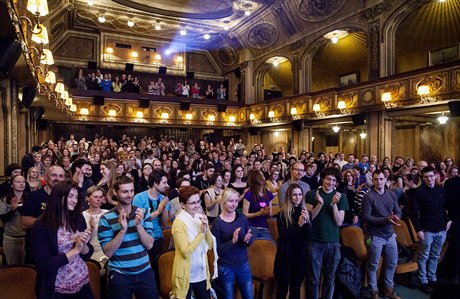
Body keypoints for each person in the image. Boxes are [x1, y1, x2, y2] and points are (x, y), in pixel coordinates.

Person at [31, 180, 94, 299]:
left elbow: (87, 255)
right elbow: (43, 264)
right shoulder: (41, 225)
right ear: (58, 197)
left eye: (76, 196)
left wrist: (83, 245)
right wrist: (75, 250)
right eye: (70, 196)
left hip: (82, 281)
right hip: (57, 288)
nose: (74, 200)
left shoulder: (78, 218)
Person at [98, 176, 159, 299]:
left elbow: (149, 245)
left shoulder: (143, 213)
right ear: (115, 192)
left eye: (131, 191)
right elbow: (108, 252)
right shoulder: (106, 218)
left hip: (144, 271)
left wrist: (138, 225)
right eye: (125, 191)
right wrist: (123, 230)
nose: (130, 195)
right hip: (120, 274)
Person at [305, 167, 348, 299]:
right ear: (323, 179)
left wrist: (334, 204)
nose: (330, 182)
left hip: (333, 242)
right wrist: (320, 203)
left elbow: (339, 222)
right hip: (315, 241)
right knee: (313, 278)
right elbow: (310, 217)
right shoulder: (311, 194)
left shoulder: (341, 197)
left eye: (333, 180)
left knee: (330, 278)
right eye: (328, 179)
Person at [362, 169, 402, 299]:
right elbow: (366, 217)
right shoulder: (369, 196)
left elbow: (397, 210)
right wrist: (386, 219)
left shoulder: (391, 194)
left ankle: (388, 289)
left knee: (391, 263)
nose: (378, 181)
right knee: (374, 265)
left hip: (390, 235)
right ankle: (374, 291)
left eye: (381, 179)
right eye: (376, 179)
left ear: (385, 179)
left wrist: (396, 216)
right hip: (374, 235)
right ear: (372, 180)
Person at [171, 186, 215, 299]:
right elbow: (185, 252)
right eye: (192, 203)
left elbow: (209, 246)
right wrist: (201, 234)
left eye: (198, 202)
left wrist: (206, 229)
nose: (197, 205)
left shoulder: (199, 217)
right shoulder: (178, 222)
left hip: (201, 271)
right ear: (182, 205)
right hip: (186, 273)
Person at [411, 166, 450, 294]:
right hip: (426, 229)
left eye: (431, 176)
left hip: (441, 228)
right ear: (423, 178)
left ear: (436, 176)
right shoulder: (419, 192)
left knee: (435, 255)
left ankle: (432, 278)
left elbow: (445, 208)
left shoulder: (441, 190)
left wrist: (448, 220)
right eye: (426, 177)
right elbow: (414, 212)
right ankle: (423, 281)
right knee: (423, 256)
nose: (429, 179)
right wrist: (418, 230)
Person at [211, 188, 253, 299]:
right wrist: (232, 241)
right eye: (231, 201)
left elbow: (248, 242)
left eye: (235, 201)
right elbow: (217, 250)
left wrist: (248, 240)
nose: (234, 204)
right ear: (224, 201)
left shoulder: (242, 218)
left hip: (243, 265)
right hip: (226, 268)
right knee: (228, 297)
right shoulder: (217, 223)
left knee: (248, 296)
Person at [21, 165, 66, 264]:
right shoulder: (34, 196)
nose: (57, 179)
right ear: (46, 177)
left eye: (61, 176)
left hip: (61, 252)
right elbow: (24, 223)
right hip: (37, 250)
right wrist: (48, 219)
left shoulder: (68, 198)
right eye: (54, 175)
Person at [274, 183, 311, 299]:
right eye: (294, 195)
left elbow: (309, 235)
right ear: (289, 196)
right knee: (282, 290)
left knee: (296, 290)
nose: (297, 197)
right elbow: (284, 236)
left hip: (300, 256)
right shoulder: (282, 214)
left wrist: (305, 223)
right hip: (285, 257)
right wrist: (299, 224)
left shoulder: (305, 213)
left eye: (300, 195)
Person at [133, 169, 170, 262]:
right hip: (143, 239)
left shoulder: (164, 198)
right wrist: (158, 211)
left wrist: (164, 210)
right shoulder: (139, 198)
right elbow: (138, 221)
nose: (167, 185)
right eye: (164, 182)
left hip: (158, 238)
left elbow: (165, 224)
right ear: (155, 183)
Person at [0, 175, 28, 265]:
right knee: (13, 266)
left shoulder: (30, 199)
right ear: (12, 185)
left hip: (26, 237)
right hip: (11, 238)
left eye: (23, 182)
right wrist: (13, 209)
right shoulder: (5, 200)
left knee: (27, 266)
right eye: (18, 182)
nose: (21, 184)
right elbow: (3, 219)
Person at [242, 170, 273, 240]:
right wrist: (257, 214)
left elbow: (270, 214)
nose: (264, 177)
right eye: (261, 175)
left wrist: (267, 212)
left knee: (269, 246)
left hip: (264, 228)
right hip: (252, 227)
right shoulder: (249, 194)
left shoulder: (268, 194)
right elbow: (244, 214)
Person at [82, 186, 109, 266]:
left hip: (106, 252)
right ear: (87, 198)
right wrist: (91, 228)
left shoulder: (107, 214)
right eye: (95, 197)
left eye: (100, 197)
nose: (98, 199)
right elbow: (83, 242)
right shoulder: (82, 216)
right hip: (89, 254)